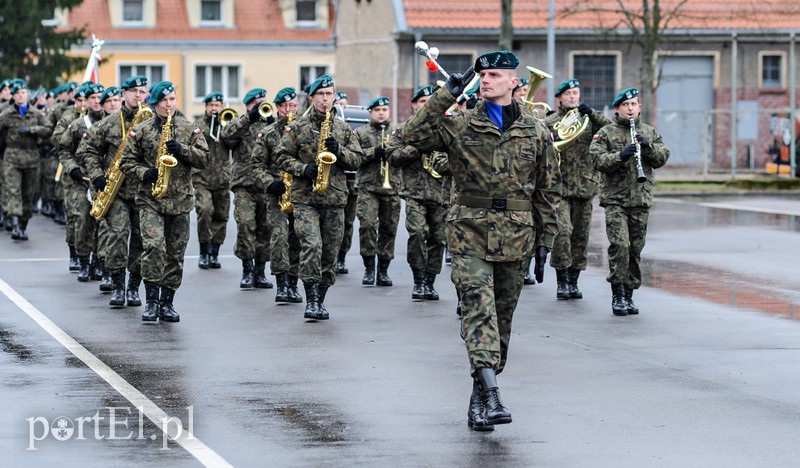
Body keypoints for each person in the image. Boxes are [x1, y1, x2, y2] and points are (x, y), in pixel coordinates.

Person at [401, 51, 560, 431]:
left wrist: (546, 239)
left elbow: (547, 189)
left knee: (501, 321)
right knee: (478, 309)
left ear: (513, 83)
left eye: (492, 75)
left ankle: (479, 393)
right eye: (481, 75)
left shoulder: (536, 130)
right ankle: (491, 394)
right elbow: (410, 136)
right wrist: (445, 97)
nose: (484, 80)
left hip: (517, 234)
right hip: (469, 230)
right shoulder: (460, 124)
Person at [120, 81, 209, 322]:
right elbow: (126, 162)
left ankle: (167, 302)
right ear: (155, 103)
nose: (169, 105)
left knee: (175, 253)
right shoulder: (141, 130)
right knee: (154, 247)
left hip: (180, 201)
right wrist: (144, 173)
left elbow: (204, 159)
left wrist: (182, 150)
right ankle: (151, 301)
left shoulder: (190, 129)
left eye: (172, 100)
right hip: (151, 200)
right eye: (164, 101)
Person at [275, 75, 363, 320]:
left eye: (329, 93)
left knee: (330, 252)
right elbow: (281, 156)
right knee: (312, 245)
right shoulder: (298, 128)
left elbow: (357, 160)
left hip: (334, 199)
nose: (326, 99)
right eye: (321, 94)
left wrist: (340, 151)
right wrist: (304, 169)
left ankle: (321, 298)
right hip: (305, 198)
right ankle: (311, 300)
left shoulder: (344, 129)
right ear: (312, 98)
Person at [590, 87, 670, 316]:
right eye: (626, 105)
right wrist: (621, 155)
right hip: (615, 200)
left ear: (640, 107)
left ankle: (629, 294)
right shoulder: (606, 132)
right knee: (620, 246)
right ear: (618, 108)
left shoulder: (649, 131)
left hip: (640, 199)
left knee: (635, 249)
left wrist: (648, 147)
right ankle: (617, 295)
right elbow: (597, 160)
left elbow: (662, 157)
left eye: (634, 104)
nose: (630, 108)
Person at [80, 75, 150, 308]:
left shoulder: (151, 121)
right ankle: (118, 286)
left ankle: (133, 288)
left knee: (141, 241)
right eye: (133, 91)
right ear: (124, 94)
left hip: (143, 191)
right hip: (116, 191)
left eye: (142, 91)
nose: (138, 95)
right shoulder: (108, 123)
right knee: (117, 237)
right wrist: (97, 174)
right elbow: (89, 150)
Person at [545, 79, 611, 300]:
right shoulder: (551, 121)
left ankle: (574, 281)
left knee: (581, 236)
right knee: (562, 233)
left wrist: (592, 113)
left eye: (576, 93)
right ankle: (562, 281)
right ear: (560, 98)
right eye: (569, 94)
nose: (573, 97)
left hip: (584, 185)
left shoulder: (588, 119)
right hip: (560, 186)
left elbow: (610, 129)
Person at [387, 85, 449, 300]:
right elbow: (392, 157)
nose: (427, 105)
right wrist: (416, 147)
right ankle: (419, 280)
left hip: (441, 193)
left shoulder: (446, 128)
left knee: (439, 239)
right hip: (414, 192)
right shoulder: (405, 129)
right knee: (417, 233)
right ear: (414, 105)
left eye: (431, 101)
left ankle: (430, 281)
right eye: (423, 102)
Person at [250, 87, 304, 303]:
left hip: (301, 192)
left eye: (292, 105)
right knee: (280, 237)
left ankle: (293, 283)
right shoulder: (269, 133)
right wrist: (269, 183)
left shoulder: (304, 130)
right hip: (277, 193)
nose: (288, 109)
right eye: (284, 106)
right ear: (278, 107)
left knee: (298, 239)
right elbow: (256, 164)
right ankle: (281, 284)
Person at [220, 87, 275, 290]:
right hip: (244, 184)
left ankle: (260, 271)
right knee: (245, 224)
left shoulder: (270, 124)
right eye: (257, 103)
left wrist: (273, 124)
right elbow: (226, 136)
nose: (261, 106)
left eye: (264, 102)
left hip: (266, 184)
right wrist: (249, 118)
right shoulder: (240, 122)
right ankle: (247, 269)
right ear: (249, 105)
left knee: (265, 229)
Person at [58, 83, 106, 282]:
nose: (96, 101)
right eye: (92, 98)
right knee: (83, 220)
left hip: (103, 180)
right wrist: (73, 169)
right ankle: (83, 261)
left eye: (99, 97)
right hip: (81, 180)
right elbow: (63, 149)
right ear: (85, 101)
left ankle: (99, 262)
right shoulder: (78, 124)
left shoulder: (111, 122)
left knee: (102, 223)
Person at [353, 96, 401, 286]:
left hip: (393, 187)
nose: (381, 113)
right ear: (371, 112)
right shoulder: (361, 132)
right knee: (368, 226)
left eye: (385, 109)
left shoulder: (397, 133)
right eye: (377, 110)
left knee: (389, 228)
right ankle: (369, 268)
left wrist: (393, 153)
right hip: (368, 187)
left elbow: (406, 155)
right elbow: (354, 157)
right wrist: (374, 152)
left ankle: (383, 270)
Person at [0, 80, 53, 240]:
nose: (20, 96)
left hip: (31, 158)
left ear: (27, 95)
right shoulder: (6, 114)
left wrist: (32, 129)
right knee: (13, 190)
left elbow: (49, 129)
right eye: (17, 93)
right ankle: (15, 225)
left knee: (28, 194)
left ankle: (23, 224)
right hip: (12, 157)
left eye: (23, 93)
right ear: (13, 96)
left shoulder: (36, 113)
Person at [193, 92, 232, 270]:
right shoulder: (199, 125)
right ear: (206, 107)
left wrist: (225, 124)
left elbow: (234, 139)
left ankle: (215, 253)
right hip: (202, 178)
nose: (214, 109)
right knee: (205, 211)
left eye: (217, 105)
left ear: (222, 106)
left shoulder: (228, 125)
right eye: (211, 105)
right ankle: (203, 251)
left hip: (223, 179)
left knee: (221, 216)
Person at [333, 89, 356, 275]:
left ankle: (341, 256)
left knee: (347, 223)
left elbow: (357, 156)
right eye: (339, 105)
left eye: (344, 104)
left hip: (351, 181)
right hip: (330, 181)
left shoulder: (347, 127)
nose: (342, 108)